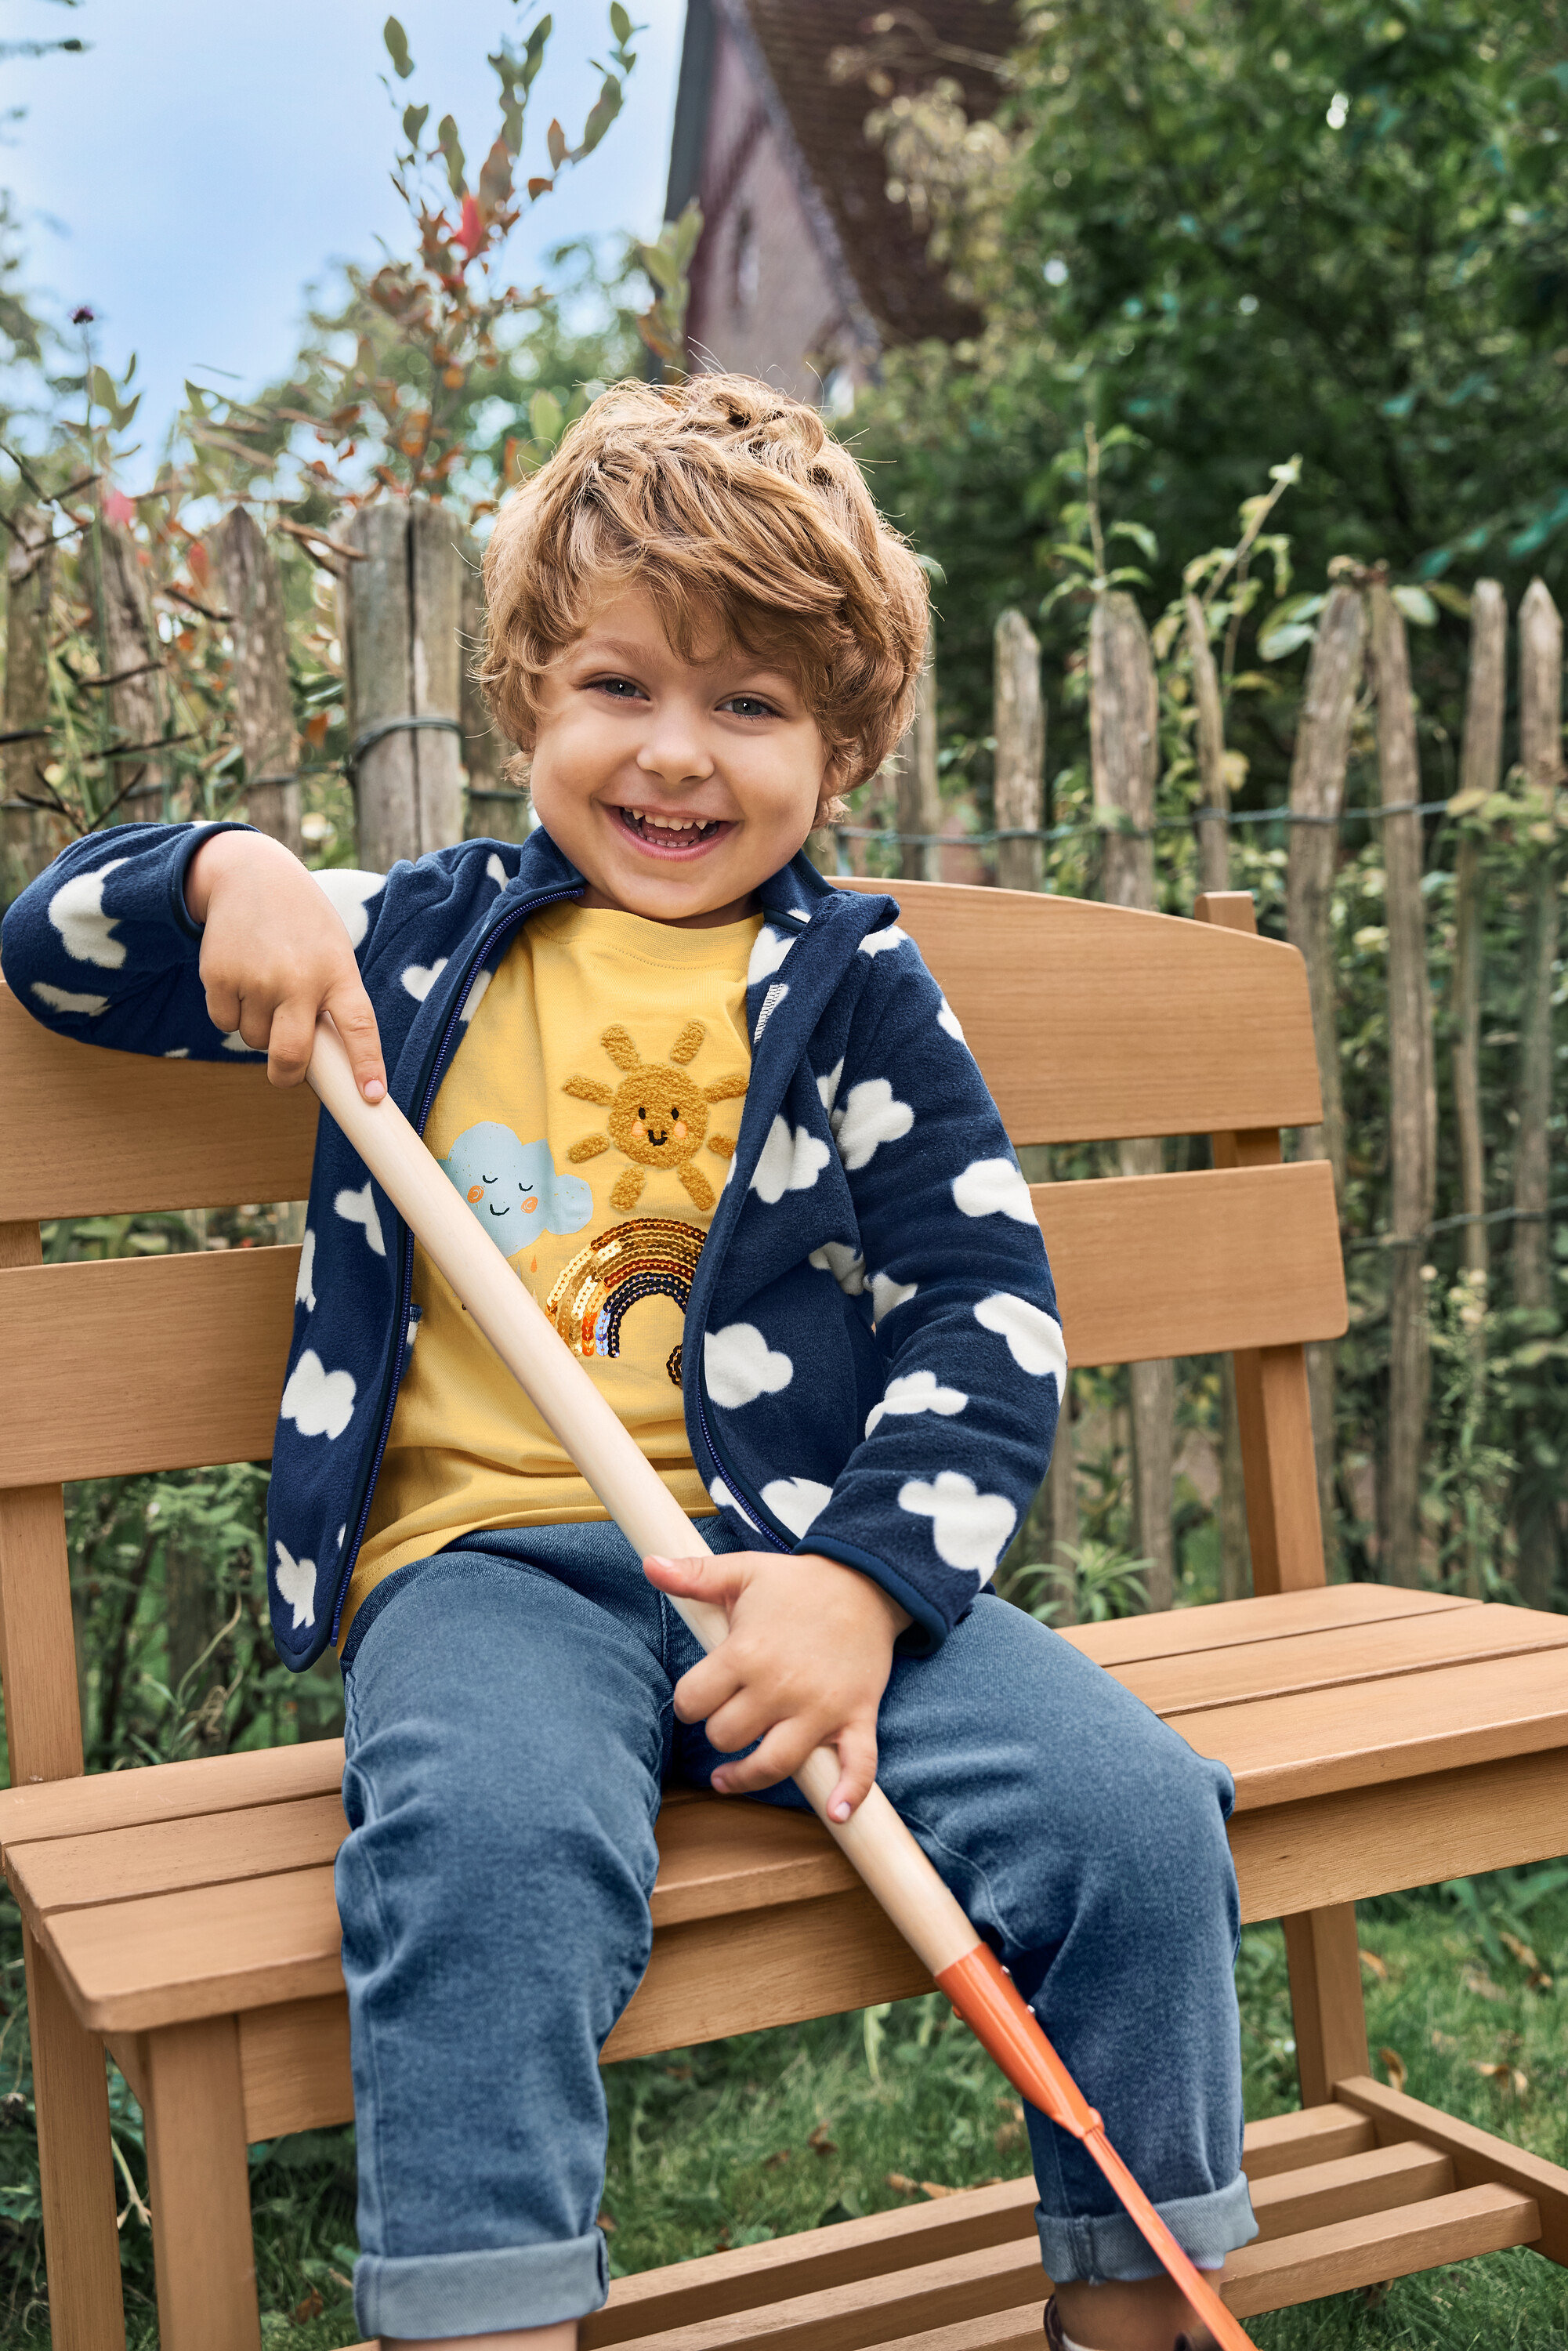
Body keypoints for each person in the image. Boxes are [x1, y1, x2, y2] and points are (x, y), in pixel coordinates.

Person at [0, 375, 1254, 2351]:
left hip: (791, 1573)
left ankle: (1136, 2306)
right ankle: (488, 2317)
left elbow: (982, 1306)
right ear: (523, 697)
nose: (674, 756)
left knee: (1134, 1818)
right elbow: (58, 951)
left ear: (839, 751)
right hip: (492, 1576)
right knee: (486, 1857)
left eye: (750, 707)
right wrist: (225, 871)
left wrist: (858, 1588)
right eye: (618, 686)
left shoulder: (853, 996)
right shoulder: (399, 950)